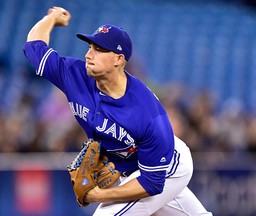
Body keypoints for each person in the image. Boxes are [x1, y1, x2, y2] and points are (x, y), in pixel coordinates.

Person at [23, 6, 213, 216]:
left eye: (99, 49)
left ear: (119, 59)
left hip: (166, 166)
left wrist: (97, 196)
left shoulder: (146, 112)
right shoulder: (74, 76)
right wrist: (50, 19)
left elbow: (152, 184)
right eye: (90, 47)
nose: (89, 54)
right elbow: (34, 46)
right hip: (133, 168)